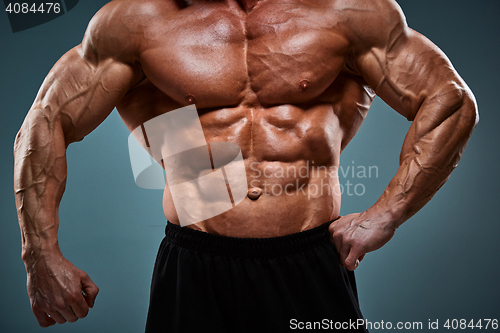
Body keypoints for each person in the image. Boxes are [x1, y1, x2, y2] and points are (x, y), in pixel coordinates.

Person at [13, 0, 478, 331]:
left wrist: (386, 214)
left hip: (310, 261)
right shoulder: (138, 21)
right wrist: (40, 255)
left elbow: (451, 101)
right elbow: (45, 120)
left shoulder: (348, 13)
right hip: (195, 265)